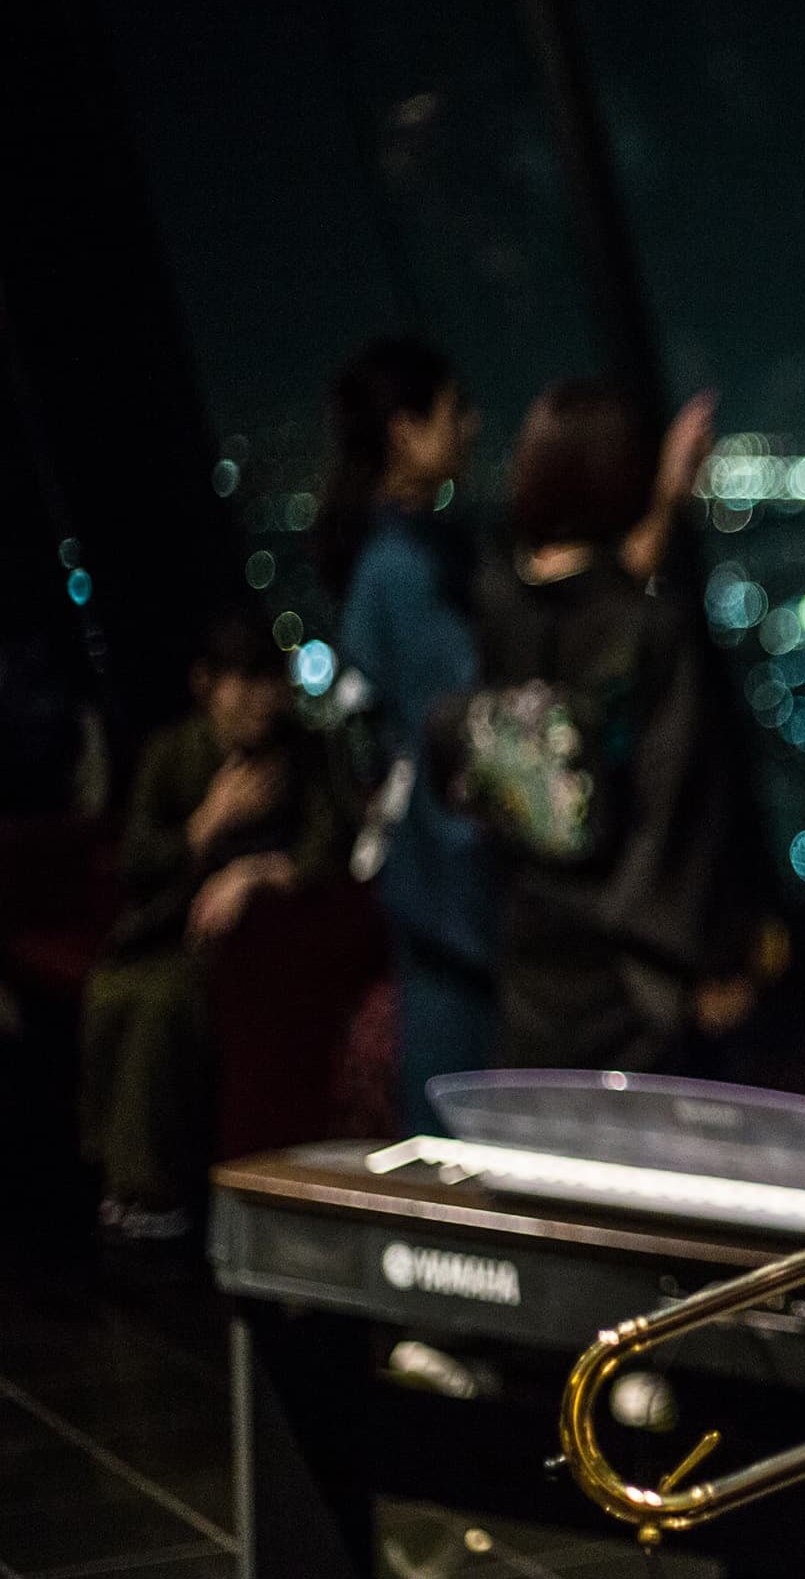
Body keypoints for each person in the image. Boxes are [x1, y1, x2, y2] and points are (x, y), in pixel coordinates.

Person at [462, 380, 763, 1077]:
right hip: (633, 988)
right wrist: (715, 960)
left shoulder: (496, 609)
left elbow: (583, 612)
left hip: (530, 967)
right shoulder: (652, 630)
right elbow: (681, 812)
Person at [79, 609, 342, 1237]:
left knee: (163, 1006)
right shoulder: (175, 751)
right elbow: (135, 857)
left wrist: (256, 872)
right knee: (111, 993)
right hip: (162, 931)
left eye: (269, 682)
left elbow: (331, 850)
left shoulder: (302, 756)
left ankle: (149, 1191)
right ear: (208, 685)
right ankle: (108, 1169)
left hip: (243, 952)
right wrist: (209, 821)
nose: (261, 700)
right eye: (243, 682)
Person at [326, 336, 495, 1133]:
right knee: (463, 1113)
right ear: (405, 430)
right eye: (454, 410)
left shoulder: (380, 558)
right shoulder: (411, 570)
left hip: (417, 877)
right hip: (447, 887)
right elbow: (457, 736)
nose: (470, 426)